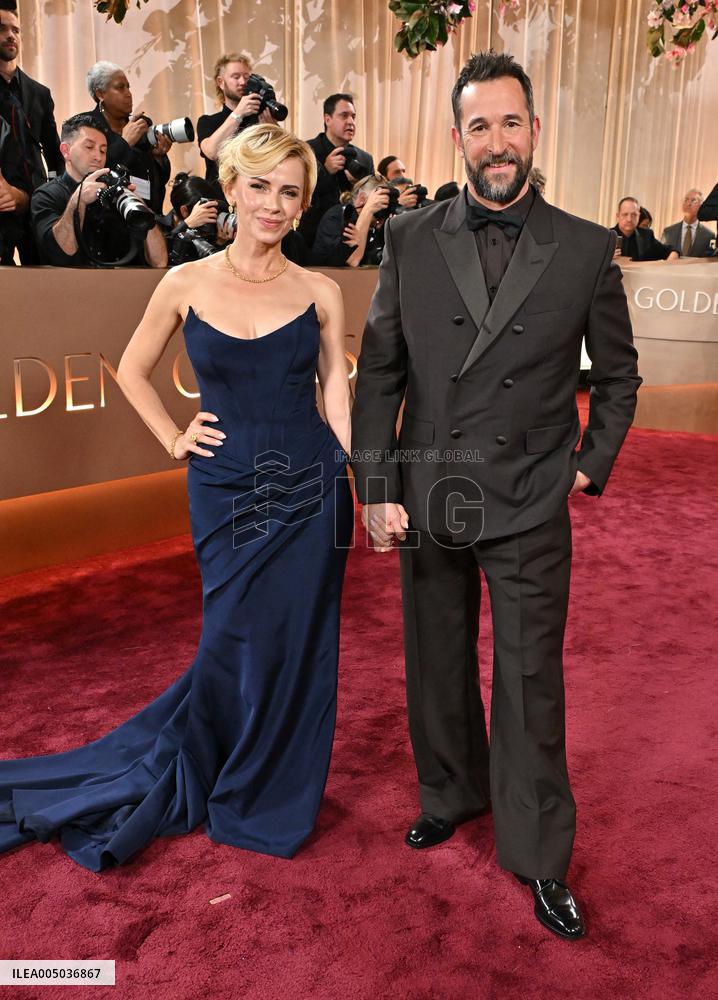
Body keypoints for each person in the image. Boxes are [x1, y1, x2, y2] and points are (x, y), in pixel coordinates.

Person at [0, 124, 352, 871]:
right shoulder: (185, 281)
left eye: (290, 192)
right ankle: (217, 761)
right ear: (231, 187)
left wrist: (357, 476)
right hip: (224, 491)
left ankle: (272, 787)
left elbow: (336, 392)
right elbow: (130, 369)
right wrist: (171, 438)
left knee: (300, 645)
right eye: (259, 185)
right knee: (232, 635)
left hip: (310, 491)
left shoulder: (320, 290)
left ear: (302, 203)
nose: (273, 203)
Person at [351, 51, 641, 940]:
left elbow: (620, 377)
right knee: (436, 664)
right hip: (432, 489)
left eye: (511, 122)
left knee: (529, 682)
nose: (497, 141)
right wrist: (374, 484)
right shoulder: (408, 237)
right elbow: (382, 373)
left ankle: (540, 854)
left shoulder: (587, 247)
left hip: (528, 496)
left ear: (534, 131)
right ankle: (451, 793)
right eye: (480, 126)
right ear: (457, 138)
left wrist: (589, 465)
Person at [30, 113, 167, 267]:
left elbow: (159, 261)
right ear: (66, 151)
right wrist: (78, 200)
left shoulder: (114, 194)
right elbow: (61, 254)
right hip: (69, 287)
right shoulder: (45, 196)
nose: (98, 157)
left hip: (120, 285)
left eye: (103, 150)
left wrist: (140, 208)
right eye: (89, 147)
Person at [0, 2, 63, 261]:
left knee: (43, 286)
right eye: (2, 28)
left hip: (36, 208)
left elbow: (54, 154)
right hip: (1, 204)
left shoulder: (39, 93)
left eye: (15, 29)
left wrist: (53, 196)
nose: (10, 35)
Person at [84, 61, 173, 216]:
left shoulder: (141, 124)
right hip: (109, 218)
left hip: (149, 213)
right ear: (100, 94)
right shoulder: (86, 127)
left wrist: (160, 157)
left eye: (128, 87)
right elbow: (90, 172)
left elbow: (159, 179)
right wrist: (124, 143)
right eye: (120, 87)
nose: (128, 93)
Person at [299, 93, 374, 247]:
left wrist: (358, 185)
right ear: (327, 119)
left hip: (352, 237)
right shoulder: (307, 150)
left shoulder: (364, 158)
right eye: (344, 116)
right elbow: (299, 193)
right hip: (314, 238)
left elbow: (372, 200)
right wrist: (325, 171)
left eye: (353, 117)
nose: (351, 122)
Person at [196, 52, 274, 193]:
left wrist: (273, 128)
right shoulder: (208, 121)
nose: (243, 82)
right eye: (236, 77)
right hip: (221, 204)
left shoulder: (260, 118)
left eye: (246, 77)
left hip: (257, 197)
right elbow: (211, 152)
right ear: (221, 82)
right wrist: (239, 113)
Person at [313, 174, 391, 267]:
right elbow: (353, 260)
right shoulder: (338, 216)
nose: (381, 210)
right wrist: (368, 210)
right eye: (379, 203)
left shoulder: (376, 225)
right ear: (362, 198)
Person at [612, 196, 678, 261]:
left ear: (639, 216)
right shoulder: (606, 236)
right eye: (625, 214)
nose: (629, 219)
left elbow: (671, 250)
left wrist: (668, 263)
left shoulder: (646, 236)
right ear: (618, 216)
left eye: (634, 215)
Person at [661, 189, 715, 257]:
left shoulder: (709, 235)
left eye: (693, 200)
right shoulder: (668, 232)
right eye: (686, 200)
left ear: (701, 205)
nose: (688, 204)